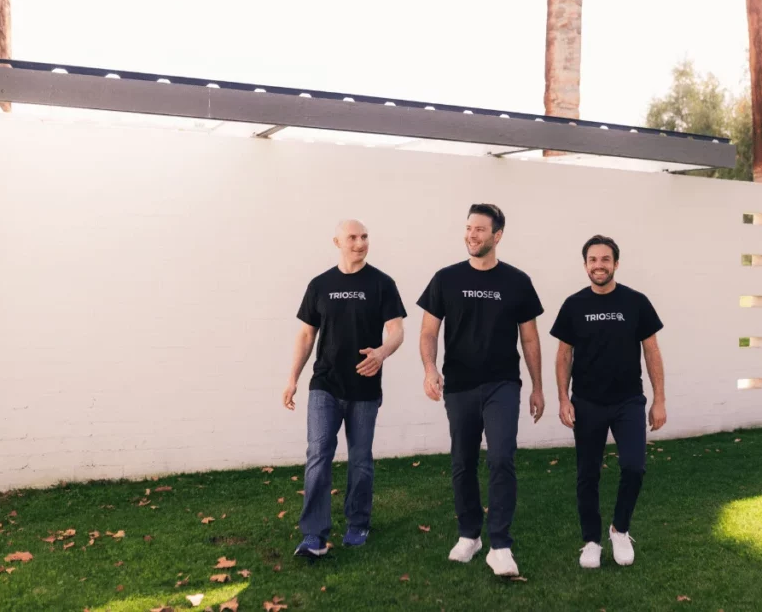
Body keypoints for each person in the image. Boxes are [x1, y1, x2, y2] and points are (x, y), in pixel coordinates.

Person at [417, 203, 545, 577]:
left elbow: (531, 339)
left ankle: (500, 544)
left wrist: (538, 388)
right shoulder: (445, 278)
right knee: (463, 461)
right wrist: (429, 369)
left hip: (502, 383)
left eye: (480, 230)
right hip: (459, 385)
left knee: (502, 457)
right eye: (468, 228)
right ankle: (469, 534)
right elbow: (428, 331)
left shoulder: (517, 281)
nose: (471, 235)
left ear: (497, 236)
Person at [283, 219, 406, 558]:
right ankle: (314, 534)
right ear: (336, 241)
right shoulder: (320, 284)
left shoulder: (382, 283)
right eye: (352, 237)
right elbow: (307, 334)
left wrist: (382, 353)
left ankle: (358, 521)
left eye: (365, 236)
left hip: (365, 388)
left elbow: (397, 330)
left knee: (361, 460)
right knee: (318, 454)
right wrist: (293, 378)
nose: (360, 242)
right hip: (325, 384)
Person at [550, 234, 666, 569]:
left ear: (616, 263)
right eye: (592, 260)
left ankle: (620, 529)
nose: (598, 266)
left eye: (605, 259)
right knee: (587, 474)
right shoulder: (574, 304)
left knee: (633, 467)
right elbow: (563, 356)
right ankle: (591, 541)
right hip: (586, 402)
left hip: (628, 400)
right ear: (585, 264)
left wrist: (659, 400)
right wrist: (563, 399)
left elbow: (652, 352)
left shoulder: (636, 302)